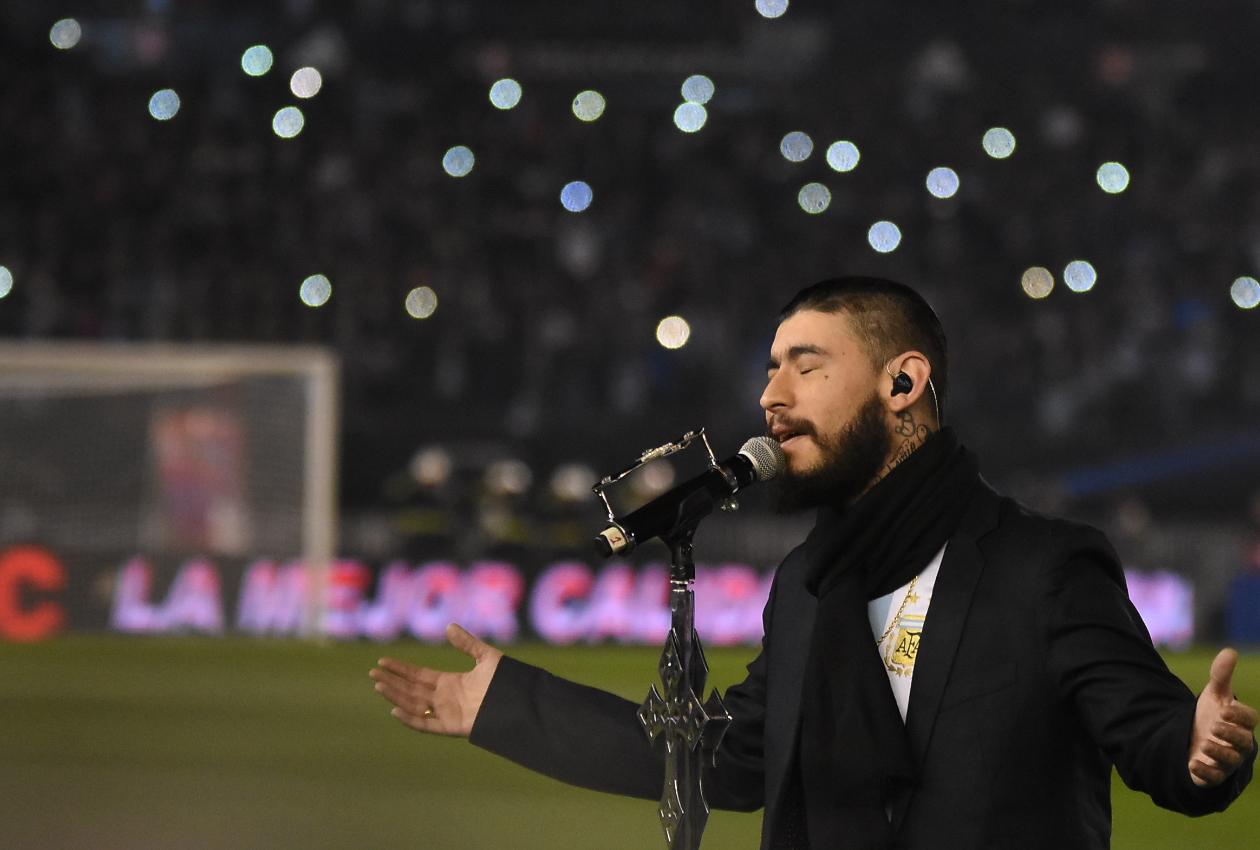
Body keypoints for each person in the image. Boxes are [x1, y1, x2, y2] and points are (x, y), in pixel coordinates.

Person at [369, 276, 1257, 849]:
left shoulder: (1043, 568)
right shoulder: (807, 587)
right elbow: (725, 760)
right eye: (770, 367)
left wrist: (1195, 747)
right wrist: (510, 707)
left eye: (806, 365)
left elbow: (1153, 738)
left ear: (902, 385)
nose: (771, 396)